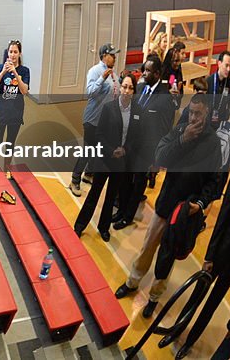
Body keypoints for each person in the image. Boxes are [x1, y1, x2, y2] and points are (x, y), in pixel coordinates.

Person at [115, 94, 226, 318]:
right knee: (147, 248)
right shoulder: (179, 130)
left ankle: (154, 298)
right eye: (191, 112)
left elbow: (214, 181)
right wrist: (183, 139)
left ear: (207, 113)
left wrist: (201, 204)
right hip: (165, 205)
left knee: (168, 257)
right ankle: (132, 282)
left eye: (198, 113)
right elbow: (160, 156)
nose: (194, 117)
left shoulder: (213, 143)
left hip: (185, 214)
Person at [175, 159, 230, 359]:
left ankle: (189, 342)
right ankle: (178, 329)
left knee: (212, 304)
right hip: (220, 251)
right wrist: (210, 255)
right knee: (197, 295)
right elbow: (224, 216)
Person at [114, 54, 177, 229]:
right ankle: (120, 211)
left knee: (137, 185)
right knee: (125, 180)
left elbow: (165, 131)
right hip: (130, 146)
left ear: (157, 74)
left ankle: (128, 216)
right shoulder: (140, 88)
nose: (143, 73)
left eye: (147, 71)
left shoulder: (165, 98)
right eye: (144, 69)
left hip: (147, 151)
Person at [74, 72, 137, 242]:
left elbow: (134, 136)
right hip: (105, 159)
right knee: (95, 193)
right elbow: (100, 134)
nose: (127, 91)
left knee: (110, 197)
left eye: (131, 88)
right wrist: (111, 151)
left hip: (120, 162)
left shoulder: (136, 112)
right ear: (120, 87)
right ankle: (79, 225)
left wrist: (124, 150)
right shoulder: (109, 108)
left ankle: (104, 227)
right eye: (124, 86)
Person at [70, 43, 120, 197]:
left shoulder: (114, 74)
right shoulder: (95, 71)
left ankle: (88, 174)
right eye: (112, 55)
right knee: (87, 150)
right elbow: (90, 93)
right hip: (92, 119)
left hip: (106, 121)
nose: (115, 57)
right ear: (104, 56)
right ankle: (75, 180)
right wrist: (101, 79)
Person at [0, 41, 30, 161]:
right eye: (11, 52)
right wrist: (2, 73)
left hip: (15, 114)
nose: (13, 54)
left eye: (15, 52)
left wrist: (15, 73)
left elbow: (24, 91)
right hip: (0, 113)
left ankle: (7, 169)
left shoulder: (24, 71)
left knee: (10, 143)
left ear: (19, 54)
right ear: (7, 53)